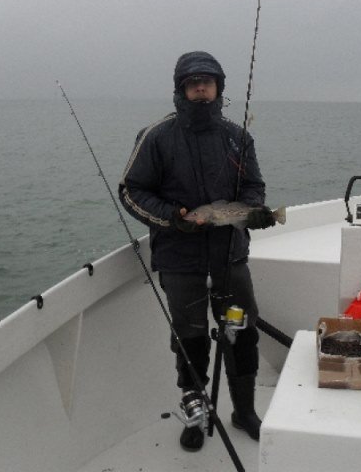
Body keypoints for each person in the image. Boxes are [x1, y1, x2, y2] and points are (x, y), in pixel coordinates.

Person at [118, 51, 275, 452]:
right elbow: (131, 192)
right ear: (181, 89)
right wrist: (174, 218)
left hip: (230, 259)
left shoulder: (238, 137)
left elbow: (253, 187)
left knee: (242, 334)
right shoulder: (156, 136)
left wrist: (254, 213)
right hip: (180, 262)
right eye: (193, 83)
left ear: (219, 88)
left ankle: (244, 411)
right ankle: (195, 415)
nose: (201, 88)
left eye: (208, 81)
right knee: (190, 341)